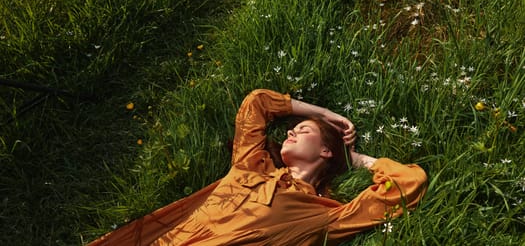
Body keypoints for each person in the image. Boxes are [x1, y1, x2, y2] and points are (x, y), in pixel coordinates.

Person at [89, 89, 427, 245]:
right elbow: (257, 103)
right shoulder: (252, 165)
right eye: (294, 127)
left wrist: (355, 159)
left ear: (325, 151)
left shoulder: (321, 214)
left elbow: (409, 182)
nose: (292, 130)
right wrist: (324, 113)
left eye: (304, 130)